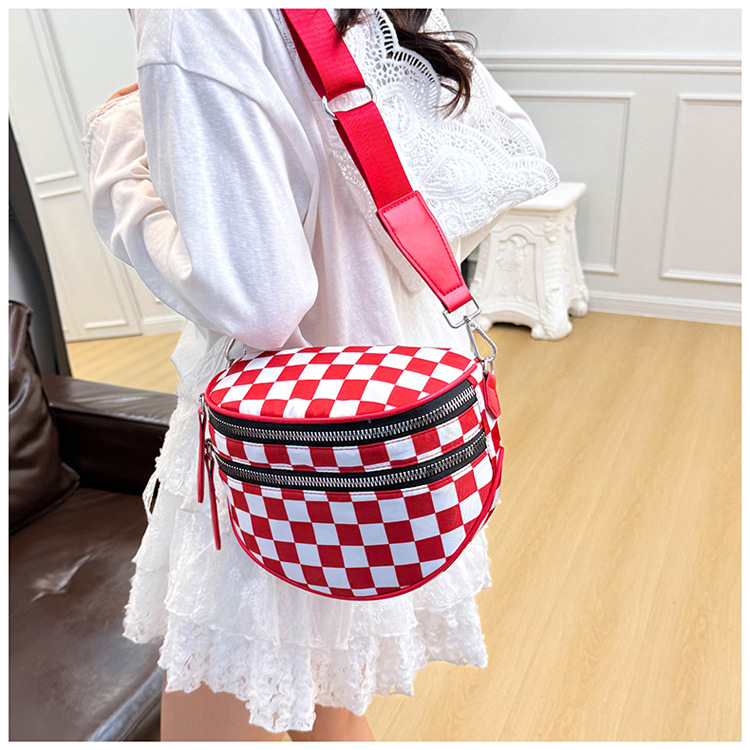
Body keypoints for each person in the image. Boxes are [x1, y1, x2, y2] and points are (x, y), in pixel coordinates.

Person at [85, 8, 557, 742]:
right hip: (400, 399)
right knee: (328, 702)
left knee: (224, 710)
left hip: (280, 436)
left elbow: (258, 302)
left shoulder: (193, 17)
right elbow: (496, 162)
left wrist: (119, 162)